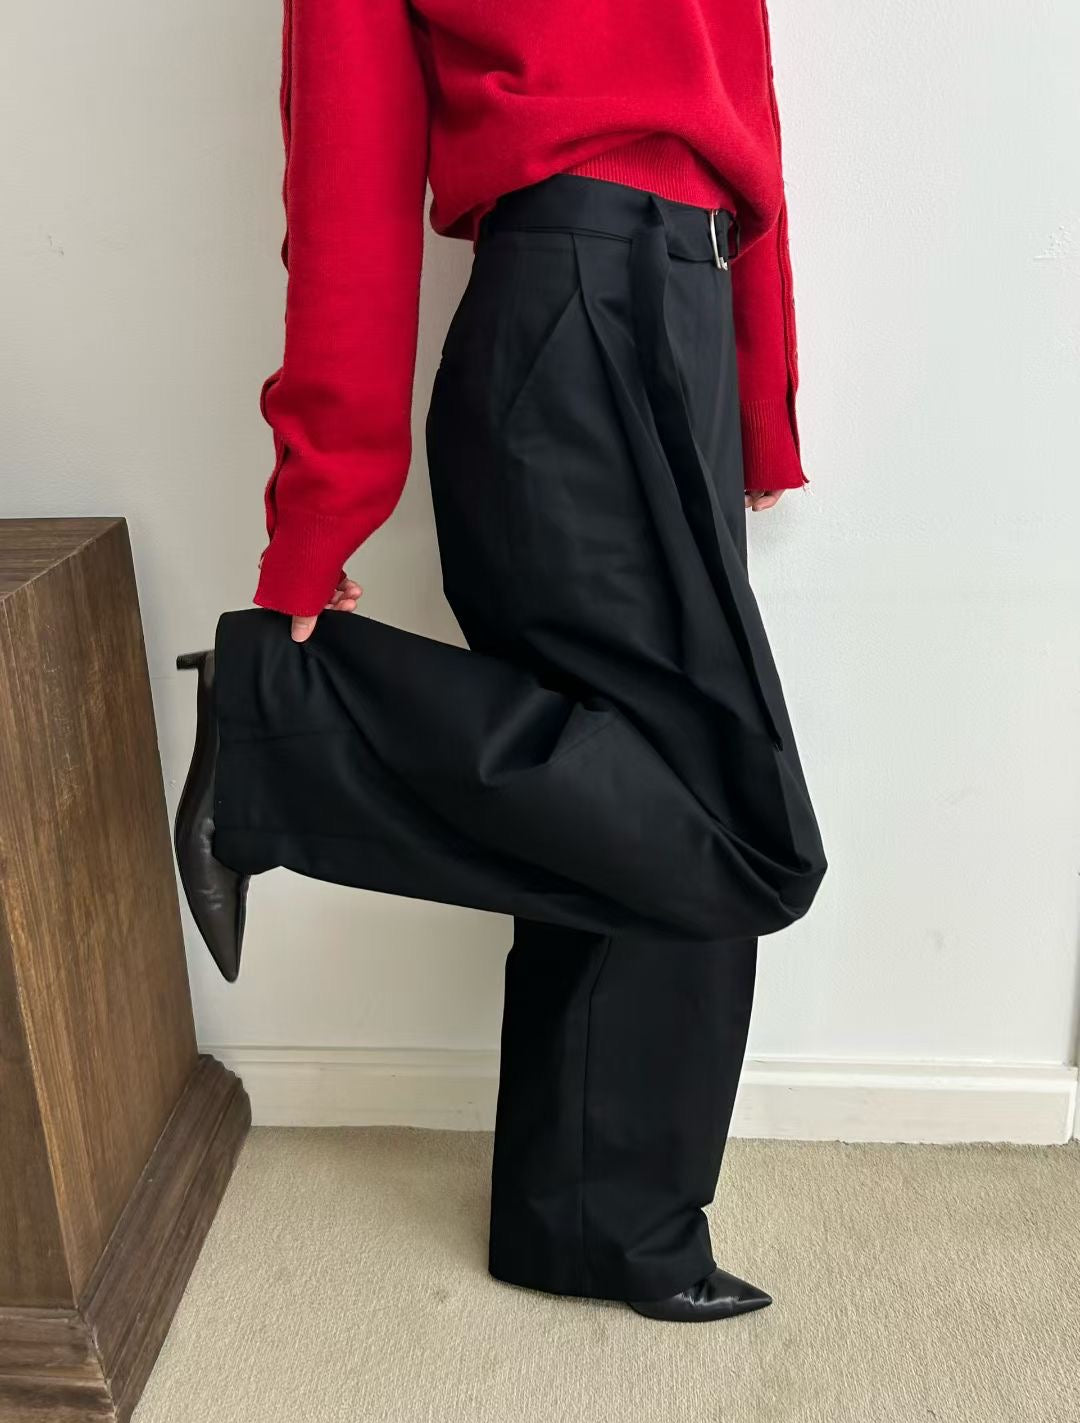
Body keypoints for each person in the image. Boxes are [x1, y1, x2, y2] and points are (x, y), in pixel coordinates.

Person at [174, 0, 827, 1323]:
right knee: (726, 821)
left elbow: (737, 88)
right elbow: (347, 162)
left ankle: (589, 1224)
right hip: (577, 309)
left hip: (671, 305)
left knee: (632, 790)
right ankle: (276, 737)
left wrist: (757, 394)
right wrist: (319, 510)